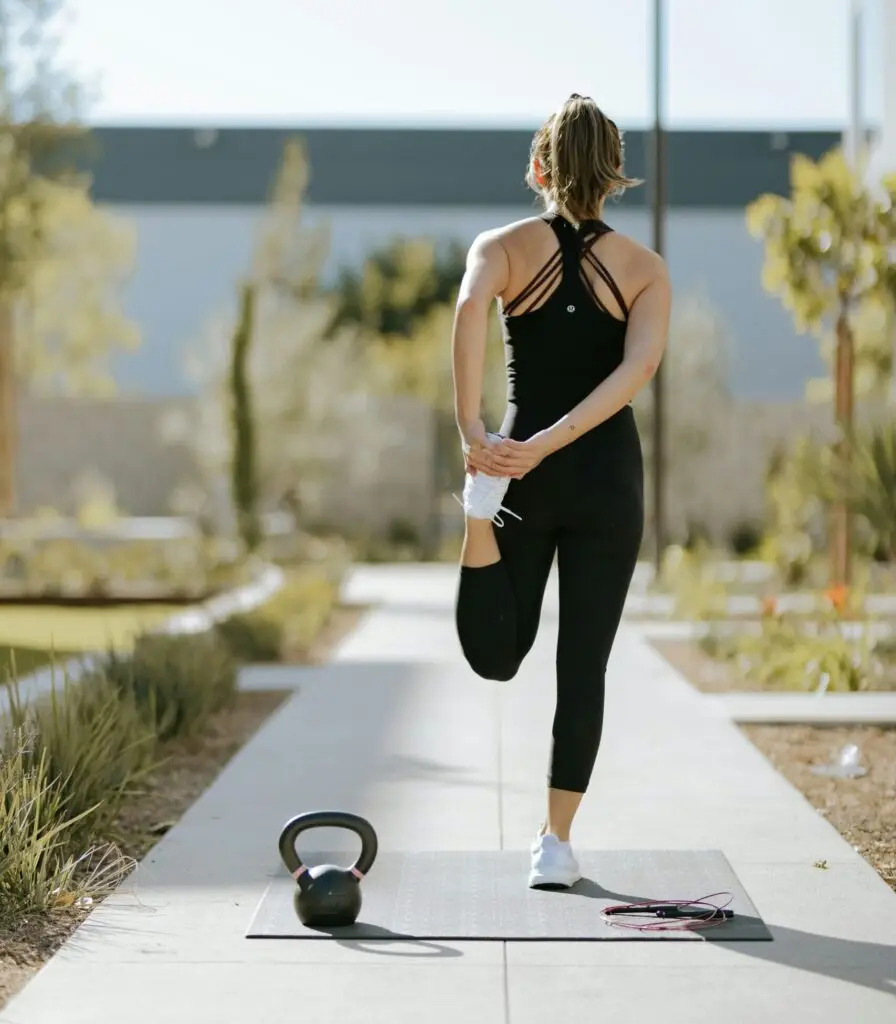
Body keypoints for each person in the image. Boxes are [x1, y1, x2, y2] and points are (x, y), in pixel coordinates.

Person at [451, 94, 671, 890]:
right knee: (585, 668)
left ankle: (473, 518)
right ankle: (556, 843)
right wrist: (543, 448)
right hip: (607, 479)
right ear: (614, 175)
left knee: (498, 655)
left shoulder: (501, 246)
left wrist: (478, 435)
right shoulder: (645, 270)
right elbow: (635, 371)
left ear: (537, 168)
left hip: (514, 471)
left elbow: (471, 306)